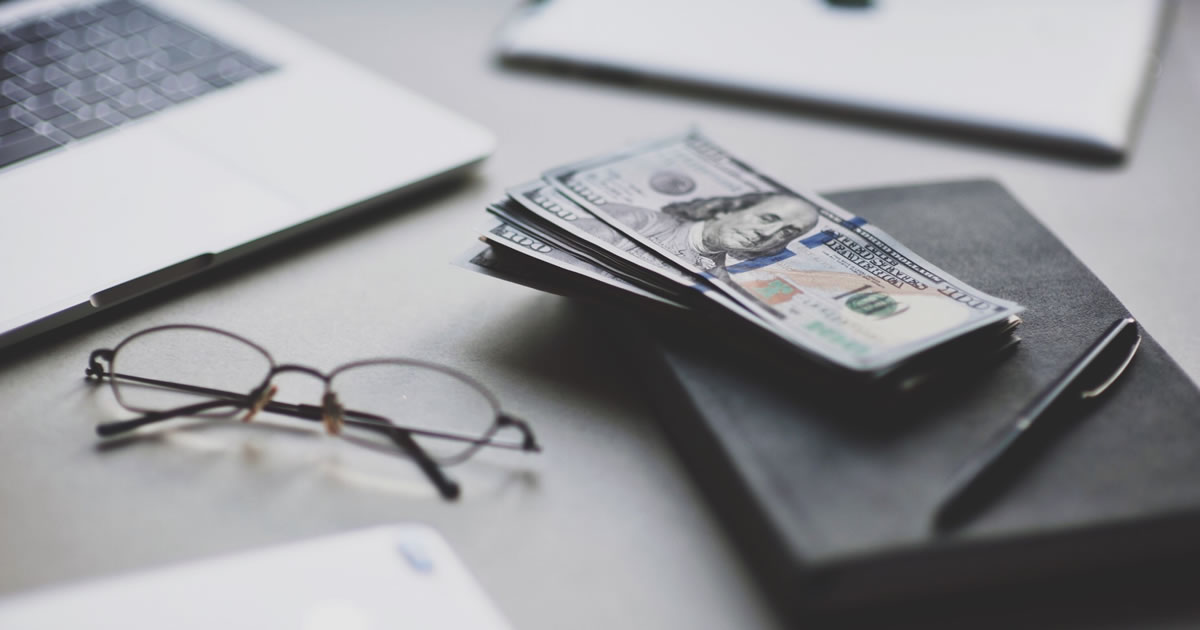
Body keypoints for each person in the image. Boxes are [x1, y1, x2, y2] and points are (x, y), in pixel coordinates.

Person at [592, 191, 820, 275]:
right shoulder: (636, 220)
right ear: (725, 211)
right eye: (767, 218)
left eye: (788, 232)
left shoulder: (719, 282)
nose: (766, 234)